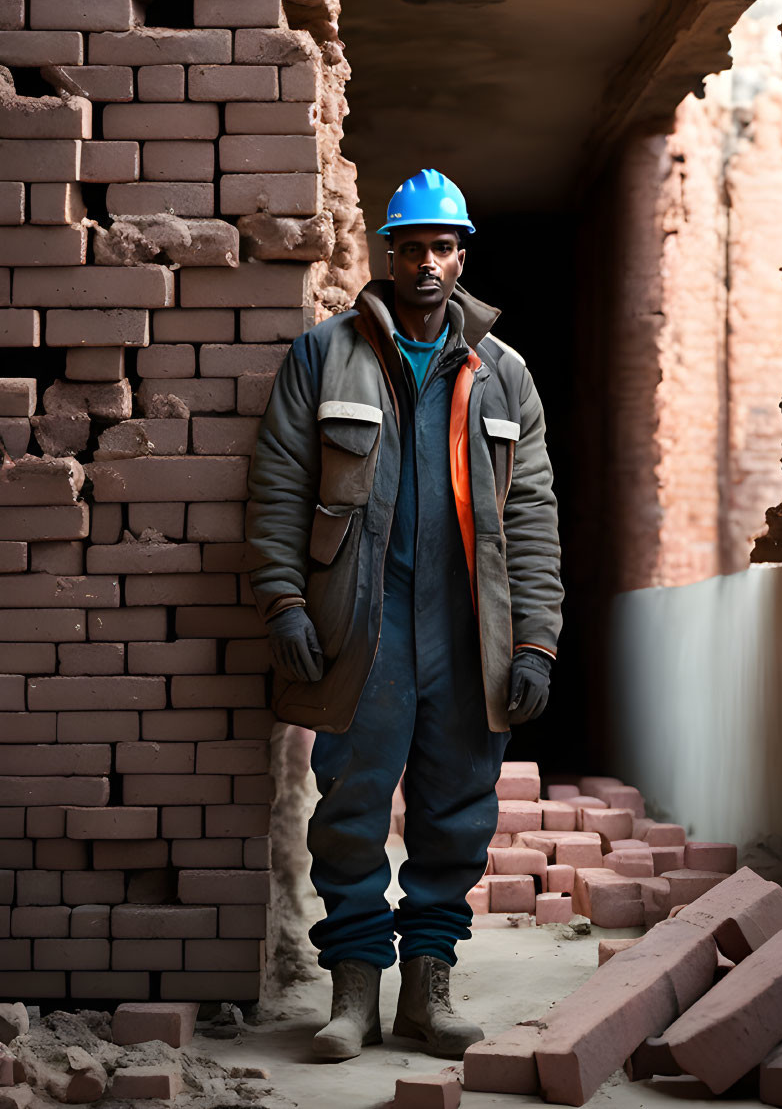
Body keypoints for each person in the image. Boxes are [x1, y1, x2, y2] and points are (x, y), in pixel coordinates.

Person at [246, 169, 563, 1059]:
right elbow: (276, 487)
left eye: (444, 247)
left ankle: (427, 989)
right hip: (363, 626)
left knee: (456, 810)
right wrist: (284, 603)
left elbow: (532, 514)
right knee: (350, 805)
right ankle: (353, 996)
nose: (428, 262)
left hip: (468, 633)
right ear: (388, 252)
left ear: (463, 256)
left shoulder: (503, 375)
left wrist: (534, 641)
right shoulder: (326, 354)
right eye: (413, 246)